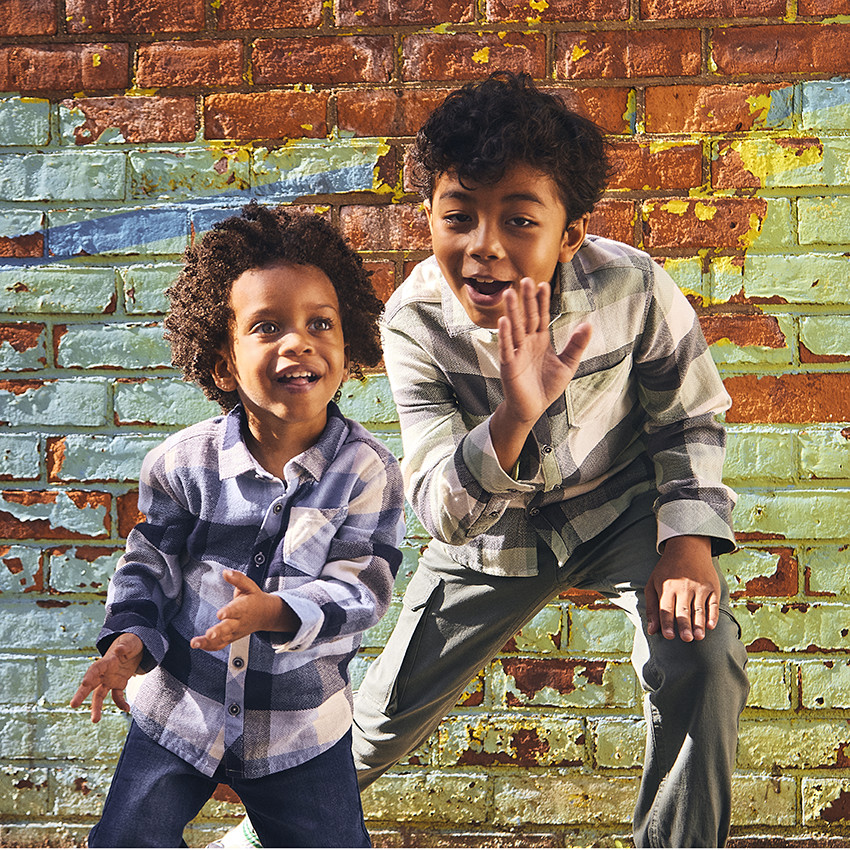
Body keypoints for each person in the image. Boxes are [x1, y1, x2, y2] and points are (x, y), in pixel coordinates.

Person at [222, 71, 750, 849]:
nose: (484, 248)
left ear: (570, 234)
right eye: (458, 217)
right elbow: (440, 505)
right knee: (373, 725)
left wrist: (688, 541)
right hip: (490, 538)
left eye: (519, 221)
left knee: (703, 660)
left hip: (623, 513)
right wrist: (513, 411)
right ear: (429, 217)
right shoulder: (414, 323)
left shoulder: (632, 286)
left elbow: (688, 415)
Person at [70, 202, 405, 848]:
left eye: (320, 324)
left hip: (298, 727)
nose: (298, 341)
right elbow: (150, 564)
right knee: (124, 840)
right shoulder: (182, 464)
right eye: (267, 326)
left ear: (348, 343)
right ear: (223, 363)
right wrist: (129, 640)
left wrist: (277, 611)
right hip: (182, 709)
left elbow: (362, 591)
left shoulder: (368, 472)